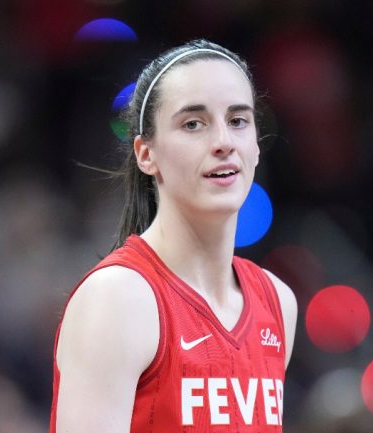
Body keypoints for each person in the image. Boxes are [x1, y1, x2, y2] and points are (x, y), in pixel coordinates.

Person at [50, 39, 298, 432]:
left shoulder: (278, 303)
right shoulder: (117, 299)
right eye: (193, 124)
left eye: (238, 121)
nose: (223, 142)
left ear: (255, 147)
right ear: (146, 154)